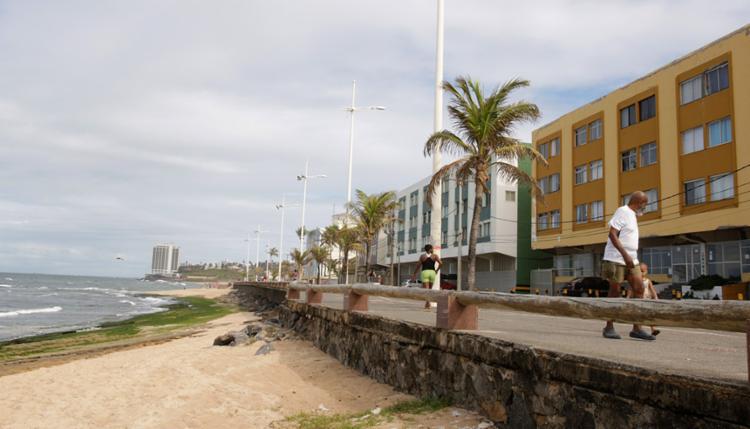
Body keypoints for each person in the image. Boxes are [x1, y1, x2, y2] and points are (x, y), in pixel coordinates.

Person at [601, 191, 655, 341]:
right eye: (644, 205)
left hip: (632, 259)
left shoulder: (633, 216)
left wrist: (630, 257)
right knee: (615, 292)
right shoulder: (623, 211)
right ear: (639, 203)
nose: (645, 208)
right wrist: (625, 255)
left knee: (639, 288)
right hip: (616, 258)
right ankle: (609, 327)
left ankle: (637, 328)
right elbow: (612, 234)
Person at [411, 244, 442, 309]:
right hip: (432, 272)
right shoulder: (435, 256)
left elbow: (418, 265)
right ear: (430, 249)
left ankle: (428, 303)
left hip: (425, 272)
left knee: (426, 290)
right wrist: (437, 270)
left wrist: (414, 273)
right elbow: (441, 263)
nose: (433, 249)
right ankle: (427, 303)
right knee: (430, 290)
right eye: (432, 248)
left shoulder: (422, 256)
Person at [640, 263, 660, 336]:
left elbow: (652, 289)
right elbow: (631, 290)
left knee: (650, 314)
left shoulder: (648, 281)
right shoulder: (636, 280)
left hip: (647, 299)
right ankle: (639, 329)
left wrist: (655, 297)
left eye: (643, 271)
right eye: (640, 271)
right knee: (640, 315)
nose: (642, 273)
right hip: (639, 300)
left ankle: (653, 329)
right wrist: (628, 297)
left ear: (646, 271)